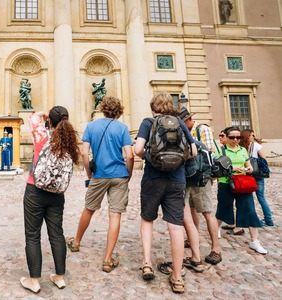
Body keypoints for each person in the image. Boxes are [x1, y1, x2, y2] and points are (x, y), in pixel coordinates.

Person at [134, 92, 197, 294]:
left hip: (153, 179)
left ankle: (146, 263)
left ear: (153, 106)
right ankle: (177, 277)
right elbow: (194, 152)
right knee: (176, 227)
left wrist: (152, 156)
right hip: (177, 180)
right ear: (171, 106)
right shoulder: (179, 122)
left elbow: (137, 150)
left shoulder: (148, 122)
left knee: (147, 220)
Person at [66, 96, 134, 273]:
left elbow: (84, 153)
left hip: (99, 174)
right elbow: (130, 155)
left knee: (89, 208)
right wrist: (129, 173)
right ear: (119, 111)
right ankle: (107, 259)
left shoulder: (91, 126)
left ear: (103, 108)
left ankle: (76, 242)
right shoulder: (123, 128)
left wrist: (89, 173)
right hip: (119, 174)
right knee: (115, 215)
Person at [20, 106, 80, 293]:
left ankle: (34, 280)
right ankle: (60, 277)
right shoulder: (69, 142)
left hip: (35, 190)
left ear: (50, 122)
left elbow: (33, 118)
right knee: (56, 234)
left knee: (32, 235)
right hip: (57, 195)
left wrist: (43, 114)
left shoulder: (42, 136)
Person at [178, 107, 222, 265]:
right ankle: (192, 238)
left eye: (182, 123)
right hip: (187, 176)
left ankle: (216, 248)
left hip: (200, 176)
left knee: (207, 211)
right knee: (190, 210)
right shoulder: (183, 133)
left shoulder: (202, 130)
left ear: (188, 120)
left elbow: (208, 152)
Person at [215, 126, 267, 254]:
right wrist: (232, 170)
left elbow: (247, 164)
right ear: (226, 137)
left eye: (238, 137)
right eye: (232, 137)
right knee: (223, 208)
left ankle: (255, 241)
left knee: (250, 209)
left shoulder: (243, 150)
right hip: (226, 183)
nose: (235, 140)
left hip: (243, 184)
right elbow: (217, 170)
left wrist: (249, 169)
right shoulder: (221, 151)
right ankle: (215, 230)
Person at [240, 129, 274, 226]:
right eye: (251, 135)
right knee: (261, 197)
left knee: (248, 198)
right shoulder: (256, 145)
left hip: (247, 174)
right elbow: (263, 158)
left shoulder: (241, 147)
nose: (253, 137)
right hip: (258, 174)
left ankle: (253, 219)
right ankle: (268, 220)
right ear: (247, 136)